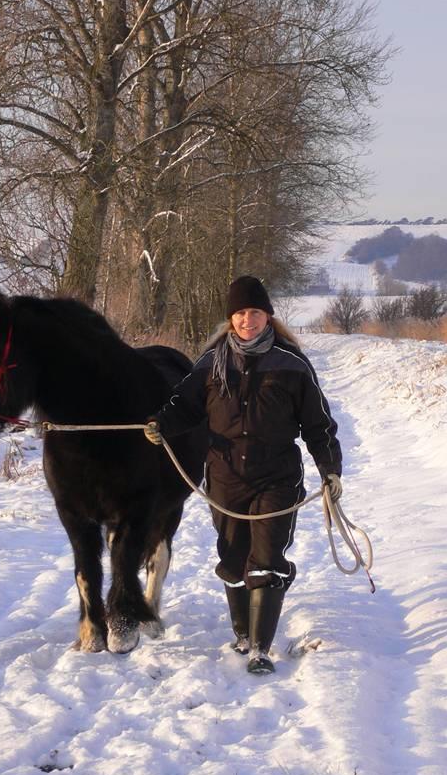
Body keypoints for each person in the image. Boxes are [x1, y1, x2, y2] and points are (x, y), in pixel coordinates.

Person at [145, 275, 342, 675]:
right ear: (230, 318)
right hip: (225, 477)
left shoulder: (292, 364)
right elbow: (185, 406)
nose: (247, 320)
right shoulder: (211, 363)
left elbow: (319, 426)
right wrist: (160, 424)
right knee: (233, 559)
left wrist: (330, 470)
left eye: (254, 312)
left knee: (266, 558)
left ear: (267, 316)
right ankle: (241, 635)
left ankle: (260, 649)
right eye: (239, 313)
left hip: (277, 477)